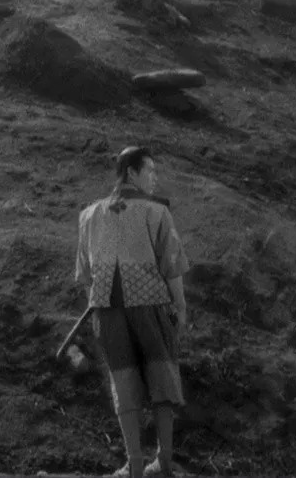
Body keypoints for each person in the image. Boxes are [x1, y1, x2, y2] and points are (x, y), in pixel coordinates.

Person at [75, 147, 189, 478]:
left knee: (123, 381)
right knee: (162, 377)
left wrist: (100, 304)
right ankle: (163, 462)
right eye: (150, 171)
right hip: (153, 307)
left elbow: (85, 276)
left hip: (106, 312)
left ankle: (135, 464)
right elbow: (172, 266)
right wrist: (180, 308)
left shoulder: (89, 216)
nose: (155, 178)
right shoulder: (157, 212)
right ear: (131, 173)